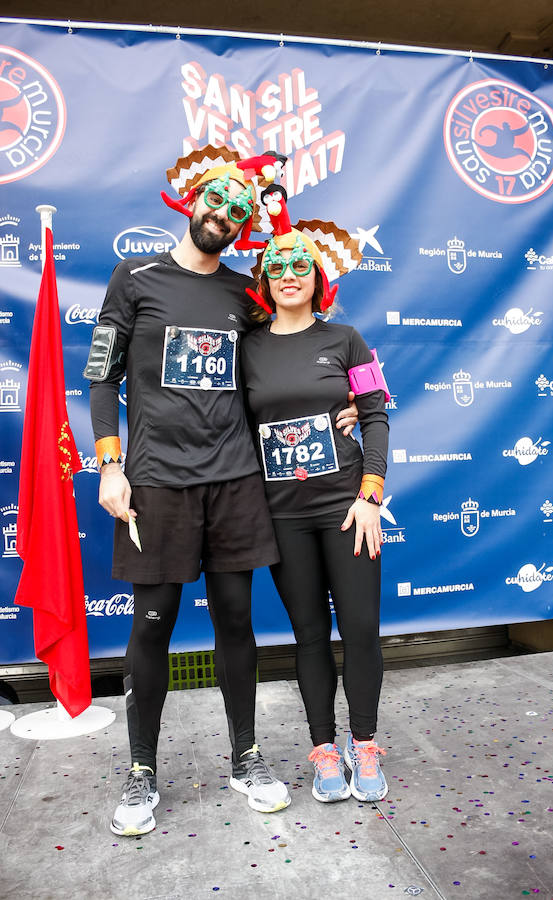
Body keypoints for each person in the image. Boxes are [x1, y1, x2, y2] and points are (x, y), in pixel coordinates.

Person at [84, 146, 359, 835]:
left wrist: (347, 403)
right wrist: (110, 465)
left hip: (236, 482)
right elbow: (101, 375)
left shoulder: (245, 293)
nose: (224, 216)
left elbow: (294, 353)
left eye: (239, 212)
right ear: (191, 202)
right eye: (216, 202)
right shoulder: (135, 275)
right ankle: (142, 771)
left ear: (244, 226)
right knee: (151, 625)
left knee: (235, 622)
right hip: (155, 483)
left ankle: (247, 757)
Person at [241, 213, 390, 804]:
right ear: (265, 281)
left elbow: (375, 412)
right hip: (282, 515)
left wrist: (371, 495)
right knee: (308, 635)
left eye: (300, 264)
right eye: (276, 267)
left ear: (318, 276)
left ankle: (365, 743)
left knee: (360, 630)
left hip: (347, 507)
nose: (289, 275)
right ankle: (325, 750)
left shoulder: (346, 338)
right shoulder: (246, 349)